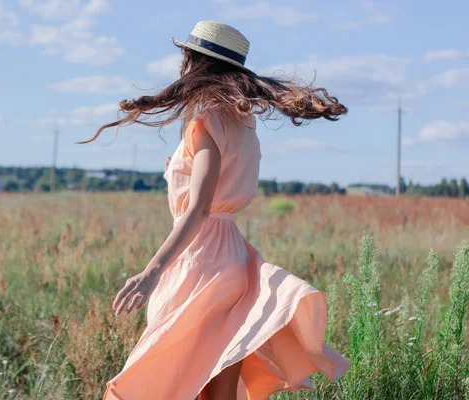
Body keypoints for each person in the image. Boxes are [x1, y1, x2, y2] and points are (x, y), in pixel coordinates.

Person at [78, 20, 350, 400]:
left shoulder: (205, 119)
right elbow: (219, 190)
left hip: (200, 263)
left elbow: (199, 209)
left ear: (194, 61)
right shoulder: (244, 123)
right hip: (233, 259)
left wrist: (151, 272)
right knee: (217, 388)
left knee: (166, 376)